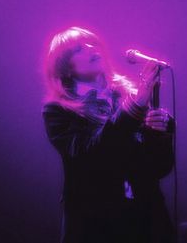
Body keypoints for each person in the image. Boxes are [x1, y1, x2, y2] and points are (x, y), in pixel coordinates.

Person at [41, 26, 176, 243]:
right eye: (78, 49)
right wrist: (133, 108)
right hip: (96, 224)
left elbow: (160, 167)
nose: (90, 47)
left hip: (147, 220)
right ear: (65, 68)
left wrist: (160, 133)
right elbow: (91, 156)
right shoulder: (57, 111)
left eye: (93, 43)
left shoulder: (128, 96)